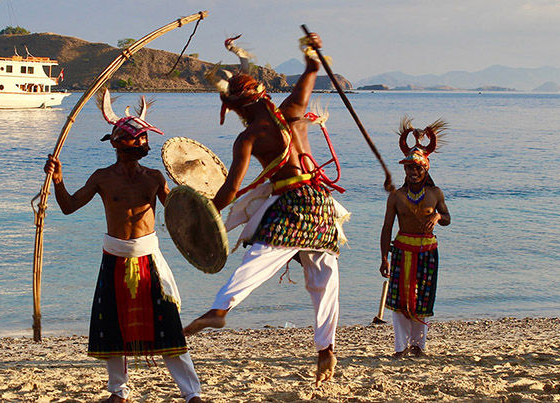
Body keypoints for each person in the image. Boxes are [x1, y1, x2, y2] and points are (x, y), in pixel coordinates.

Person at [183, 33, 349, 384]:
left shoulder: (249, 137)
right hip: (319, 204)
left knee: (260, 258)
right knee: (324, 280)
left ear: (238, 108)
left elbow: (229, 190)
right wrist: (311, 49)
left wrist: (204, 215)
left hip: (290, 205)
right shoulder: (292, 111)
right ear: (263, 95)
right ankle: (325, 349)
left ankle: (220, 308)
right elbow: (312, 71)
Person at [43, 90, 203, 403]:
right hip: (114, 258)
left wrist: (197, 199)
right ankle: (119, 391)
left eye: (143, 139)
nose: (141, 144)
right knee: (111, 326)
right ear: (117, 143)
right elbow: (68, 207)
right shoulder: (102, 178)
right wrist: (57, 181)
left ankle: (191, 393)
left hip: (149, 258)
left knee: (169, 323)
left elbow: (177, 214)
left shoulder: (155, 177)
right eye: (136, 139)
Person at [378, 116, 451, 359]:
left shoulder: (435, 193)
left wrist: (438, 218)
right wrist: (384, 258)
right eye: (409, 168)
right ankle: (400, 347)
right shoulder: (396, 196)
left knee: (423, 298)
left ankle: (419, 346)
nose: (412, 172)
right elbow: (387, 227)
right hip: (401, 250)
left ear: (425, 169)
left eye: (417, 168)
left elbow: (448, 217)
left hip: (427, 252)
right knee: (399, 301)